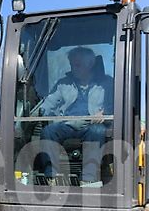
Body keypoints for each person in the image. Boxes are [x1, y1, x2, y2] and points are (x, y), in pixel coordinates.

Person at [39, 46, 113, 187]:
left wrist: (104, 114)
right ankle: (52, 177)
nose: (73, 68)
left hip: (92, 124)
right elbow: (48, 104)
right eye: (72, 64)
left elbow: (115, 104)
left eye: (77, 65)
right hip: (67, 123)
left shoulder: (107, 84)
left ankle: (88, 179)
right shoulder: (63, 84)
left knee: (97, 132)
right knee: (48, 132)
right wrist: (41, 111)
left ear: (90, 65)